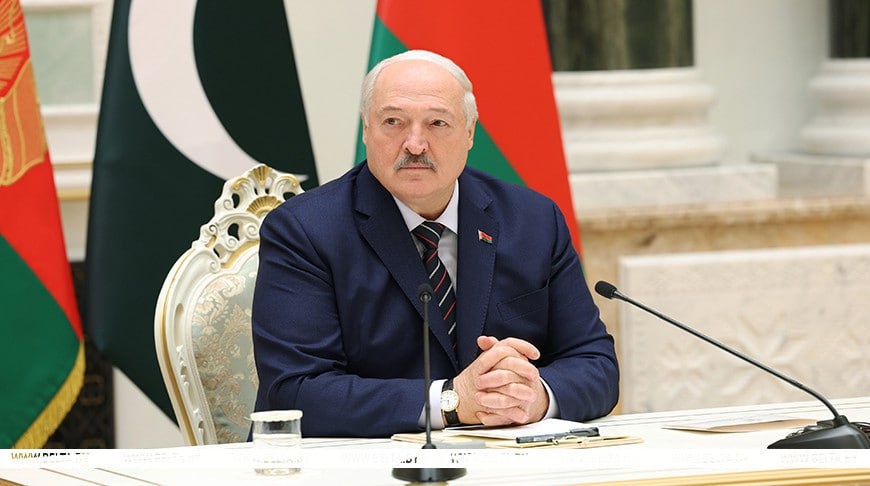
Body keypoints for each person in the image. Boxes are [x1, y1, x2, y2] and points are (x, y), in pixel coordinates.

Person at [252, 49, 619, 437]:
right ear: (366, 129)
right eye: (393, 122)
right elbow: (296, 390)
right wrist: (452, 401)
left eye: (437, 123)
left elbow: (595, 363)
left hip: (504, 457)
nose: (415, 144)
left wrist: (535, 396)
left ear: (470, 132)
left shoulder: (534, 220)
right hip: (358, 460)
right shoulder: (304, 230)